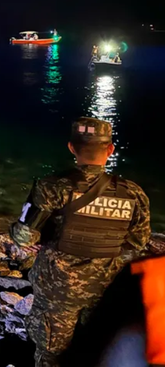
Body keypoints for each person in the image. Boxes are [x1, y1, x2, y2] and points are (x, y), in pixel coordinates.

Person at [9, 117, 151, 367]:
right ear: (110, 149)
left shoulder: (51, 187)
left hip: (57, 287)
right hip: (105, 287)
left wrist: (31, 239)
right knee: (96, 347)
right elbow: (138, 243)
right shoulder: (133, 192)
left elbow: (25, 236)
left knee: (51, 352)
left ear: (71, 148)